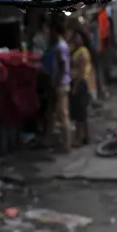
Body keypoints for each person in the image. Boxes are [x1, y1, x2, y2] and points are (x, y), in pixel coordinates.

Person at [68, 28, 96, 146]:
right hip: (81, 82)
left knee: (79, 113)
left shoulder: (82, 52)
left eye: (77, 37)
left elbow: (80, 71)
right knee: (82, 113)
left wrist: (74, 87)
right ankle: (86, 137)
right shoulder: (78, 50)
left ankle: (79, 138)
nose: (75, 40)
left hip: (80, 83)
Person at [50, 18, 73, 153]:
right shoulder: (61, 45)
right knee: (62, 114)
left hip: (61, 84)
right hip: (63, 82)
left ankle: (66, 145)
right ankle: (65, 143)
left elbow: (62, 65)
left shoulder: (60, 46)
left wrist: (57, 82)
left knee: (63, 115)